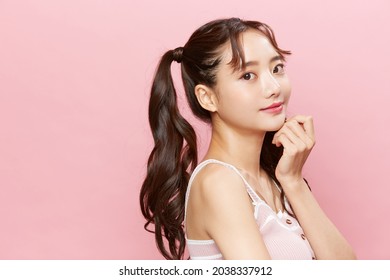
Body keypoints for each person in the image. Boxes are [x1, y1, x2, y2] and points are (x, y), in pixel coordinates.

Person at [140, 18, 356, 260]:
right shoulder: (218, 183)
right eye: (247, 75)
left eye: (277, 68)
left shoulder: (273, 177)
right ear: (207, 97)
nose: (274, 87)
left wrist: (293, 182)